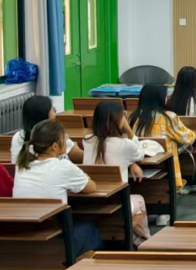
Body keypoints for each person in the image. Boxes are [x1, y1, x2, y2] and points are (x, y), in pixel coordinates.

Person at [14, 120, 100, 256]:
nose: (67, 142)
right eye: (64, 139)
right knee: (91, 228)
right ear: (54, 146)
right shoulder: (63, 166)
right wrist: (83, 177)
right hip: (55, 240)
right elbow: (91, 187)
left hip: (23, 235)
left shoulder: (22, 165)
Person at [83, 101, 150, 243]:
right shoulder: (125, 145)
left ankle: (136, 240)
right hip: (118, 203)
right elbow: (140, 154)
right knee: (139, 200)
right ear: (119, 120)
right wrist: (128, 129)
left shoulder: (87, 141)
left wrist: (130, 163)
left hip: (90, 202)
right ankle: (144, 239)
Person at [130, 83, 196, 194]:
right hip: (166, 168)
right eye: (166, 96)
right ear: (160, 99)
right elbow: (188, 138)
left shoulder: (133, 117)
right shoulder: (168, 118)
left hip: (139, 167)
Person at [10, 95, 82, 164]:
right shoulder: (55, 135)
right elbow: (81, 157)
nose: (55, 112)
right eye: (53, 109)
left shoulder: (17, 137)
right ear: (44, 116)